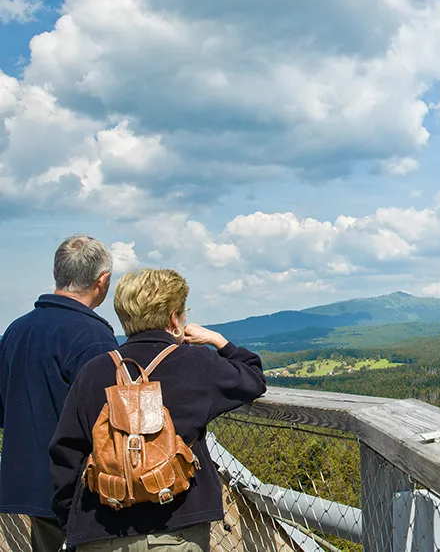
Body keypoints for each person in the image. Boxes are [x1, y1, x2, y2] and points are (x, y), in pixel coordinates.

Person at [50, 268, 267, 551]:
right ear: (173, 319)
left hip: (102, 528)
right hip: (176, 528)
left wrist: (72, 520)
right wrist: (216, 340)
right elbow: (253, 378)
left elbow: (65, 453)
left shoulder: (94, 371)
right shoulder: (196, 363)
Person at [0, 234, 118, 551]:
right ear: (102, 281)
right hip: (84, 489)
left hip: (34, 484)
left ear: (57, 274)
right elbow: (111, 423)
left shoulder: (16, 330)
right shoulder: (94, 337)